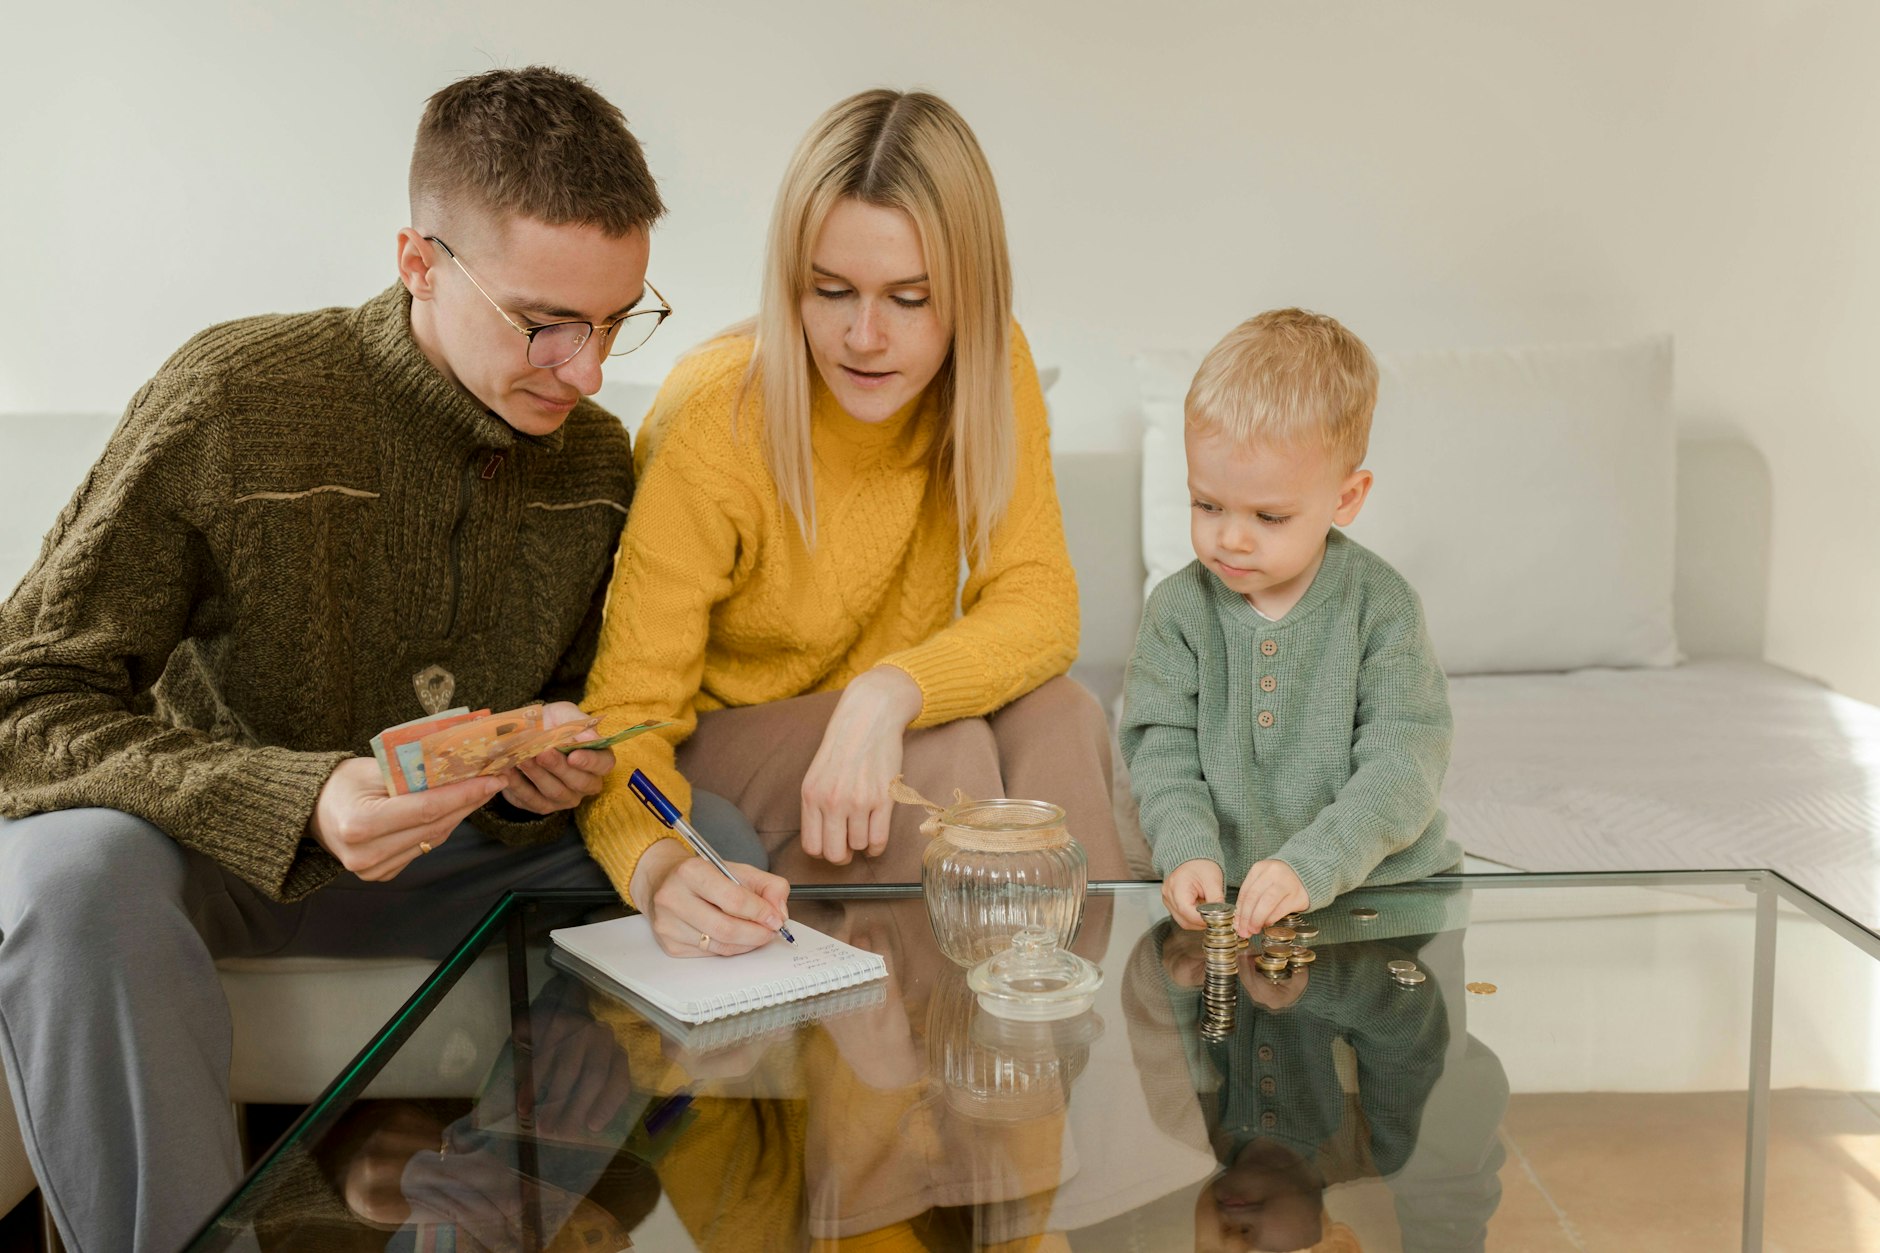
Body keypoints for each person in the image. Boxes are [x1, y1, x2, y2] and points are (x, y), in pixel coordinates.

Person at [0, 66, 769, 1253]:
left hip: (462, 863)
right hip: (225, 858)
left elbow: (588, 702)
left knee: (707, 834)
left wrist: (554, 766)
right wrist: (298, 794)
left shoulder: (599, 462)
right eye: (542, 323)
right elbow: (25, 695)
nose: (587, 369)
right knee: (67, 874)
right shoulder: (235, 397)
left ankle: (474, 1232)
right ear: (419, 260)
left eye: (617, 319)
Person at [580, 89, 1128, 957]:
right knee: (944, 755)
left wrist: (887, 692)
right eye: (831, 291)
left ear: (969, 296)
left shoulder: (991, 362)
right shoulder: (715, 416)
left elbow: (1038, 597)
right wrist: (651, 856)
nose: (864, 336)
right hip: (731, 742)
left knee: (1063, 715)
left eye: (910, 300)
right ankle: (903, 1082)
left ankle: (1051, 1055)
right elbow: (627, 715)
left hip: (879, 724)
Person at [1119, 309, 1461, 939]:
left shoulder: (1381, 607)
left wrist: (1313, 864)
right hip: (1224, 902)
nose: (1231, 539)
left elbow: (1403, 764)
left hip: (1384, 901)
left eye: (1269, 517)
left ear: (1346, 499)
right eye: (1207, 504)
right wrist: (1188, 848)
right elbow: (1161, 749)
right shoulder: (1178, 610)